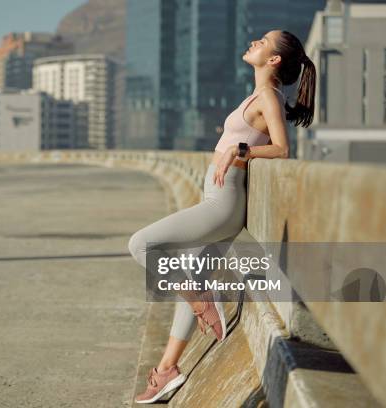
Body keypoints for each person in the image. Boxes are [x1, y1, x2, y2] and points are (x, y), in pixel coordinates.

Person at [129, 29, 316, 404]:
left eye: (263, 42)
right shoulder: (259, 94)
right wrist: (234, 147)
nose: (253, 43)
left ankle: (201, 300)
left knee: (142, 245)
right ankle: (167, 370)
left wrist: (240, 149)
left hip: (223, 205)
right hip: (217, 197)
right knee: (192, 274)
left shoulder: (268, 96)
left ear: (275, 59)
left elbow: (281, 150)